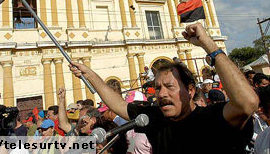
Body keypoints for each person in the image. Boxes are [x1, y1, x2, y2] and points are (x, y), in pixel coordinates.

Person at [69, 23, 258, 153]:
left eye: (169, 86)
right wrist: (88, 73)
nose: (162, 94)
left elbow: (248, 102)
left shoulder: (212, 117)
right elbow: (118, 105)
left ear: (190, 90)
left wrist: (208, 45)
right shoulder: (154, 119)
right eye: (158, 88)